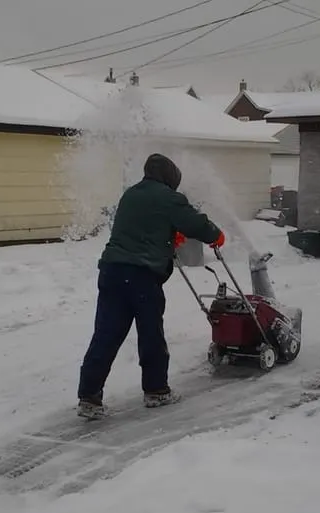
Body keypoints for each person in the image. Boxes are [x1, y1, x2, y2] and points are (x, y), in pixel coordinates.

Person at [77, 153, 225, 419]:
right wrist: (216, 234)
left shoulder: (130, 194)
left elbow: (141, 228)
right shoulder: (169, 197)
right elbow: (196, 224)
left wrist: (166, 234)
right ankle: (156, 391)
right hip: (142, 276)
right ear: (170, 178)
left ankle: (89, 397)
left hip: (112, 272)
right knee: (151, 334)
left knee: (106, 334)